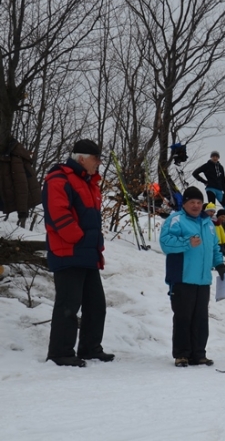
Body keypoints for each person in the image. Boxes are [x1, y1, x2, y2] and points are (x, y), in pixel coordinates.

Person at [42, 139, 113, 367]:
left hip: (87, 253)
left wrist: (93, 244)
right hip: (68, 251)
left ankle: (90, 348)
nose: (99, 164)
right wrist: (78, 237)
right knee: (68, 305)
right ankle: (60, 352)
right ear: (81, 158)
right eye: (96, 159)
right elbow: (57, 213)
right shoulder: (58, 178)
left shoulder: (88, 182)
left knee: (96, 305)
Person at [160, 186, 225, 367]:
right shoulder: (176, 220)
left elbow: (214, 248)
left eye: (199, 202)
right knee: (183, 317)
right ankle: (182, 354)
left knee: (200, 318)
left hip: (203, 279)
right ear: (185, 203)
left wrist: (220, 264)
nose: (196, 206)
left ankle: (199, 353)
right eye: (192, 202)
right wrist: (187, 243)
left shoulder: (208, 223)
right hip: (182, 277)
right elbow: (166, 244)